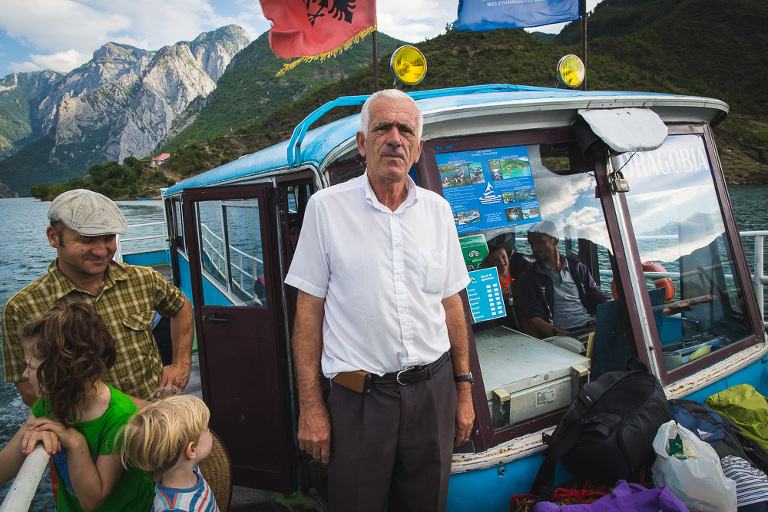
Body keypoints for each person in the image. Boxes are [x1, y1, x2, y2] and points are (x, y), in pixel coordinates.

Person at [285, 89, 474, 512]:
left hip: (433, 393)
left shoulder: (438, 211)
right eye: (382, 128)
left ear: (417, 148)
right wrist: (311, 405)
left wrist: (463, 390)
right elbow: (308, 312)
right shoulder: (326, 209)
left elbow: (451, 305)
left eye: (405, 130)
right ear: (362, 143)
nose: (394, 138)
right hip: (359, 401)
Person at [1, 189, 194, 406]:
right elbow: (29, 390)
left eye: (109, 238)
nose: (102, 251)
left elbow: (181, 306)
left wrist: (181, 364)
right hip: (87, 426)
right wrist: (118, 411)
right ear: (54, 237)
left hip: (155, 413)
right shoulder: (22, 307)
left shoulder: (143, 279)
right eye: (87, 240)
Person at [0, 302, 154, 511]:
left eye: (31, 366)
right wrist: (30, 435)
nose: (25, 375)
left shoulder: (120, 418)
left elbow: (92, 500)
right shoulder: (50, 404)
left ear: (61, 371)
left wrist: (75, 442)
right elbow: (4, 467)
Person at [118, 394, 219, 512]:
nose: (209, 430)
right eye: (206, 429)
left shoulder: (190, 468)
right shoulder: (174, 508)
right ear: (192, 449)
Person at [515, 220, 610, 339]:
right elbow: (534, 319)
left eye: (540, 242)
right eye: (531, 244)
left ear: (555, 240)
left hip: (590, 327)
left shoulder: (578, 269)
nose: (534, 248)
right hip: (562, 335)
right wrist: (563, 335)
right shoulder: (529, 277)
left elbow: (598, 297)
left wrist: (606, 316)